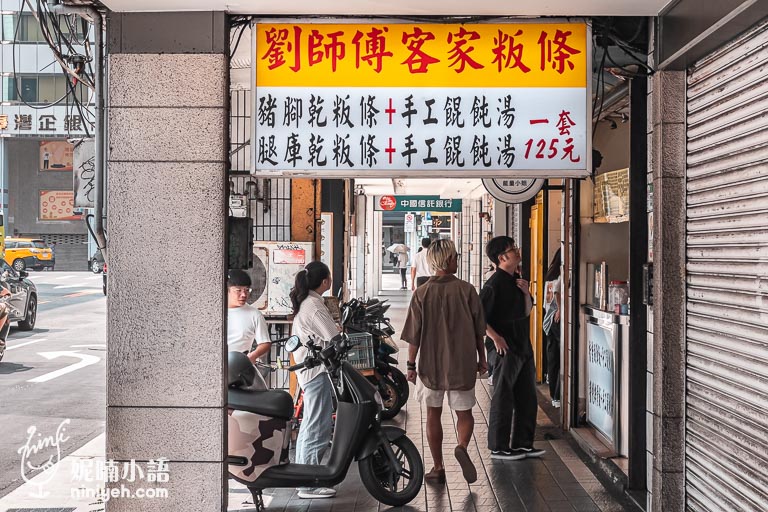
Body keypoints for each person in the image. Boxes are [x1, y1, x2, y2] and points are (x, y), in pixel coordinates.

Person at [402, 239, 487, 484]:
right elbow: (478, 330)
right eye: (455, 257)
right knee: (464, 413)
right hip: (462, 362)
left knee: (432, 414)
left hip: (431, 364)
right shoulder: (467, 290)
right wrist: (482, 359)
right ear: (447, 260)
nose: (457, 260)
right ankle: (461, 445)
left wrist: (410, 365)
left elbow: (413, 336)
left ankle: (438, 467)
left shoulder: (422, 293)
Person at [481, 236, 545, 460]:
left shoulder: (517, 279)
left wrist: (527, 292)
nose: (518, 251)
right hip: (504, 348)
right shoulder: (493, 284)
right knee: (503, 396)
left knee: (527, 396)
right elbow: (479, 318)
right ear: (502, 257)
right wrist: (496, 338)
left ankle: (523, 444)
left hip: (522, 345)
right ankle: (499, 447)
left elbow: (527, 311)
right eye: (513, 249)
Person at [289, 261, 340, 500]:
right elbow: (334, 336)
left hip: (311, 372)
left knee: (312, 423)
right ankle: (308, 485)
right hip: (316, 373)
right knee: (317, 425)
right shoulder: (314, 306)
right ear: (325, 281)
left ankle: (304, 477)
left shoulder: (308, 303)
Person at [227, 270, 272, 365]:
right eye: (238, 290)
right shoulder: (215, 313)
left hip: (240, 366)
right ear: (227, 290)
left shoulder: (255, 314)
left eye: (247, 290)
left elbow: (265, 342)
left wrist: (253, 355)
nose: (244, 295)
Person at [543, 249, 562, 408]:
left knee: (553, 359)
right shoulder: (561, 275)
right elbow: (557, 292)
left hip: (548, 320)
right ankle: (558, 395)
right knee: (562, 358)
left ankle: (554, 396)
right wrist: (561, 309)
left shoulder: (549, 276)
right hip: (557, 319)